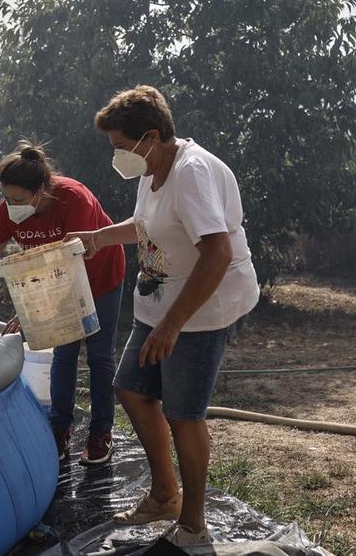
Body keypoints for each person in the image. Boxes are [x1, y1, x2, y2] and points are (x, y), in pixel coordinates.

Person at [70, 85, 259, 548]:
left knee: (183, 413)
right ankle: (164, 494)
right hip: (159, 301)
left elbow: (216, 252)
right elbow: (145, 226)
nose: (116, 155)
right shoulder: (152, 166)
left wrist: (173, 325)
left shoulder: (192, 173)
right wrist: (99, 237)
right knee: (130, 388)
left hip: (200, 309)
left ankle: (193, 523)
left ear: (150, 136)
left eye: (119, 146)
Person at [0, 142, 126, 466]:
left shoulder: (73, 200)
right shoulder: (8, 213)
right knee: (64, 354)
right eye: (6, 198)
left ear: (40, 191)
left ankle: (101, 434)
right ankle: (60, 429)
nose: (11, 205)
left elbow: (69, 265)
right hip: (57, 280)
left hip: (100, 277)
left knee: (99, 355)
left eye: (18, 199)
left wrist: (32, 311)